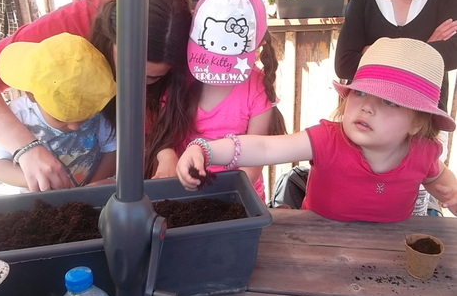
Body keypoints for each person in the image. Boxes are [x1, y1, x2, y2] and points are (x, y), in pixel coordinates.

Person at [177, 38, 457, 222]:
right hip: (318, 245)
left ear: (418, 123)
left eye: (389, 101)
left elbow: (443, 184)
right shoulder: (327, 139)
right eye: (359, 93)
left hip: (389, 257)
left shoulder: (423, 154)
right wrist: (206, 148)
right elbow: (265, 147)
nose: (367, 107)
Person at [0, 0, 193, 191]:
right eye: (126, 69)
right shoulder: (73, 31)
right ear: (110, 33)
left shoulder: (194, 51)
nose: (133, 87)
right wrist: (27, 148)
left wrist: (166, 151)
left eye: (151, 78)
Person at [335, 0, 457, 215]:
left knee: (415, 202)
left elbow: (454, 52)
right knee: (359, 195)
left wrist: (374, 53)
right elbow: (345, 63)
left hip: (423, 120)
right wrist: (426, 46)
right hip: (367, 121)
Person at [150, 0, 286, 201]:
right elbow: (164, 137)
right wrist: (167, 159)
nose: (217, 72)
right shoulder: (180, 80)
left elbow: (254, 161)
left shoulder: (257, 86)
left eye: (226, 61)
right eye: (210, 59)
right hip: (185, 194)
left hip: (236, 195)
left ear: (257, 45)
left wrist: (218, 196)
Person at [0, 33, 116, 189]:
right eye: (60, 119)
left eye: (84, 118)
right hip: (38, 202)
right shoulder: (18, 115)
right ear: (32, 95)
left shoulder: (100, 109)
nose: (75, 127)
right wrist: (41, 183)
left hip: (86, 198)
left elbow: (111, 151)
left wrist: (90, 187)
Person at [335, 0, 457, 114]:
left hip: (424, 119)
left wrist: (372, 51)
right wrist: (425, 49)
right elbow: (345, 64)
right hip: (366, 114)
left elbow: (452, 54)